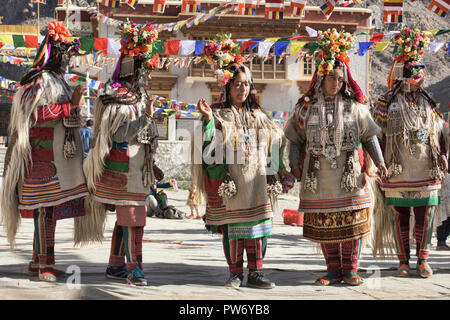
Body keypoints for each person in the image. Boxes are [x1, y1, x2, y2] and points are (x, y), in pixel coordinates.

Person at [284, 29, 387, 286]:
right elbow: (295, 139)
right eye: (331, 78)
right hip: (319, 177)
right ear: (321, 77)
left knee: (353, 223)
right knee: (326, 224)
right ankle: (332, 270)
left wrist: (381, 161)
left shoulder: (355, 107)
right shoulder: (305, 107)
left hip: (350, 176)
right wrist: (294, 164)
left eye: (340, 79)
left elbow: (370, 136)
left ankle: (351, 270)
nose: (336, 83)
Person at [191, 34, 290, 289]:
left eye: (246, 84)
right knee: (233, 229)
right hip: (233, 183)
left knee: (258, 228)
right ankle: (235, 274)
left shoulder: (258, 115)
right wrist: (208, 121)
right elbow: (208, 146)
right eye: (236, 83)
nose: (242, 88)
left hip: (256, 183)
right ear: (227, 86)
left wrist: (278, 169)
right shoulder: (219, 114)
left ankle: (256, 273)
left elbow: (273, 142)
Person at [0, 21, 94, 282]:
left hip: (57, 158)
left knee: (47, 210)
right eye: (64, 55)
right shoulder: (39, 80)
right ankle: (44, 266)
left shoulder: (57, 81)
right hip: (42, 157)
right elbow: (34, 115)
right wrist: (70, 106)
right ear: (54, 54)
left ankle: (36, 261)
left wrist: (74, 106)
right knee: (45, 210)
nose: (67, 60)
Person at [83, 20, 160, 286]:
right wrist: (146, 118)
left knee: (127, 217)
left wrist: (153, 156)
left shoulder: (139, 97)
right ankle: (134, 267)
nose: (147, 76)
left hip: (138, 168)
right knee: (132, 218)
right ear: (131, 68)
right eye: (143, 69)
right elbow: (118, 134)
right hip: (122, 168)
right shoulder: (114, 95)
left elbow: (147, 134)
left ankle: (116, 265)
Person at [372, 26, 448, 278]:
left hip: (426, 167)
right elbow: (377, 134)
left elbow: (438, 132)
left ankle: (423, 260)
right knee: (401, 214)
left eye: (420, 74)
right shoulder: (386, 103)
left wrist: (443, 154)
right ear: (403, 75)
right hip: (398, 167)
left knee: (425, 213)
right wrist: (378, 163)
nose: (418, 79)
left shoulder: (427, 101)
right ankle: (403, 260)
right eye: (413, 74)